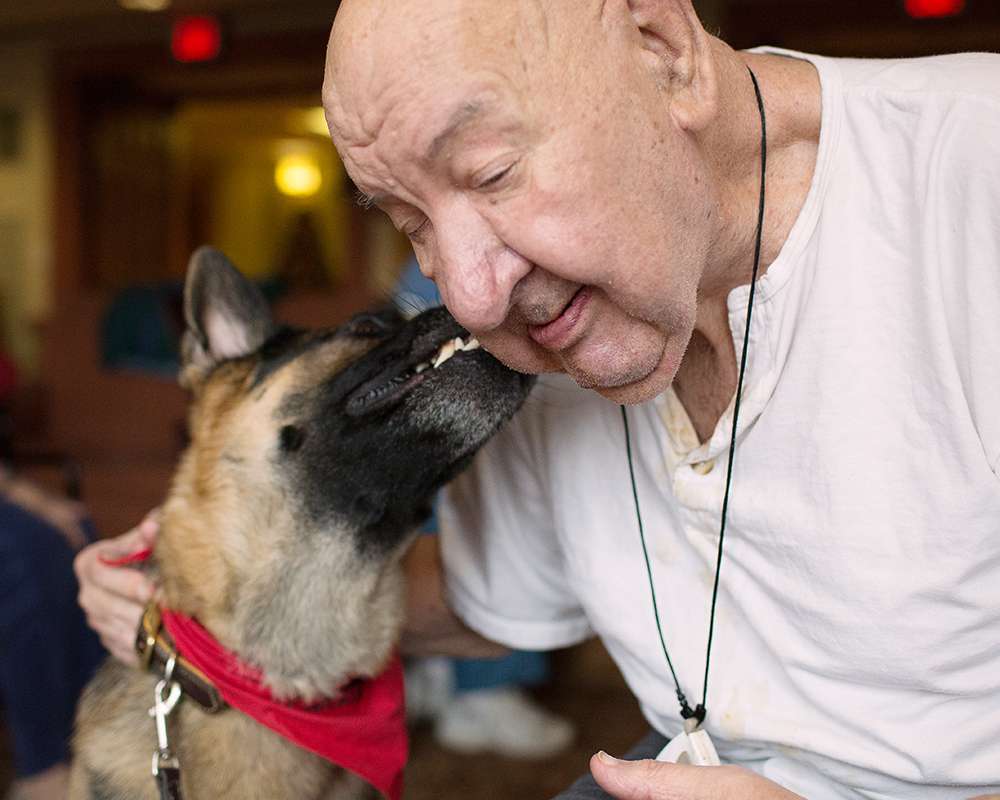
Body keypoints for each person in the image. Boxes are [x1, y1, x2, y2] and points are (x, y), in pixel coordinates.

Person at [76, 1, 1000, 798]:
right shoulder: (565, 318)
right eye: (411, 227)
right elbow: (481, 593)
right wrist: (196, 597)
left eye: (489, 174)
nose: (468, 299)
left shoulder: (970, 184)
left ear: (663, 48)